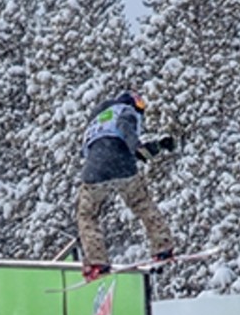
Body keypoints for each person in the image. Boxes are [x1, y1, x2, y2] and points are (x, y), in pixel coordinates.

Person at [75, 89, 176, 281]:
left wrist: (159, 146)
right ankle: (162, 246)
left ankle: (97, 260)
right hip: (123, 166)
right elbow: (126, 131)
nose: (141, 111)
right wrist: (137, 145)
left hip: (94, 171)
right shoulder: (124, 110)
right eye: (140, 105)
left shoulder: (95, 123)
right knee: (142, 204)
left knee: (88, 214)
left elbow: (99, 148)